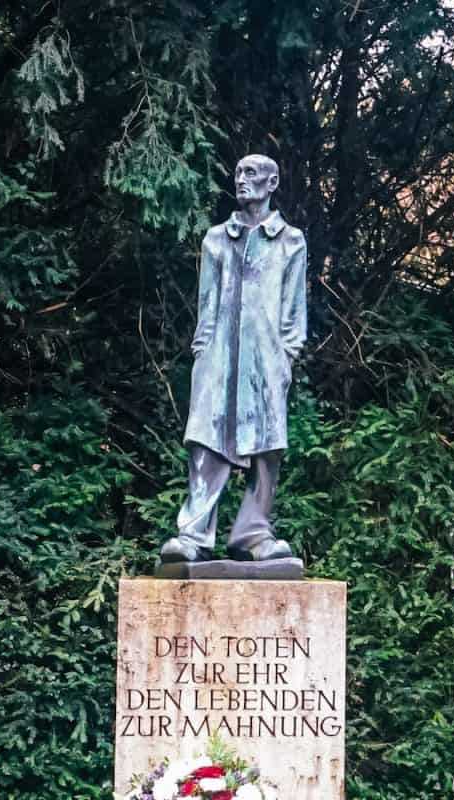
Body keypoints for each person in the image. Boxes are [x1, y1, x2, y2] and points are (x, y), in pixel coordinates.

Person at [159, 154, 307, 563]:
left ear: (272, 182)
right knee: (206, 442)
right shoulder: (216, 239)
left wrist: (286, 358)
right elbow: (206, 306)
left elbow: (294, 310)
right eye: (238, 172)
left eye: (251, 173)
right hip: (218, 358)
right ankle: (193, 534)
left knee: (267, 450)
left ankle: (253, 534)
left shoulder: (290, 240)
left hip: (267, 360)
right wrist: (202, 354)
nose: (241, 179)